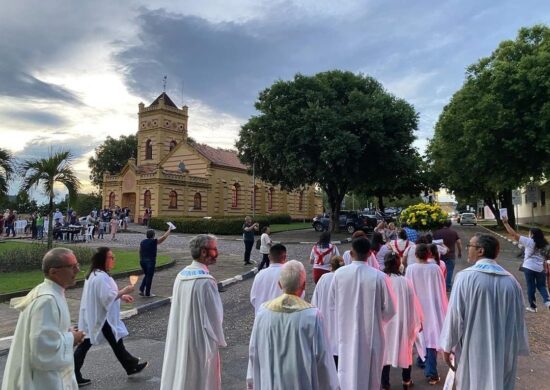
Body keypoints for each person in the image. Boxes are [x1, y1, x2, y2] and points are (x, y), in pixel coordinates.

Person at [440, 233, 530, 390]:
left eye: (470, 246)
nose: (468, 250)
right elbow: (519, 319)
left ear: (480, 251)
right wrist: (516, 347)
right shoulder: (512, 282)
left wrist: (447, 347)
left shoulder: (464, 278)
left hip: (473, 350)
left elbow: (454, 317)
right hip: (504, 350)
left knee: (473, 382)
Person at [246, 260, 339, 390]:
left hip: (271, 383)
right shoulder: (312, 316)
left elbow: (254, 350)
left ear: (279, 284)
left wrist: (252, 380)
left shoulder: (263, 312)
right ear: (304, 285)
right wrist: (331, 386)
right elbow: (323, 359)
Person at [2, 248, 86, 390]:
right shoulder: (47, 300)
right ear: (53, 272)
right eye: (72, 267)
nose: (77, 270)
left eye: (77, 265)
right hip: (43, 381)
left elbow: (47, 335)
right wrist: (72, 337)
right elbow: (41, 351)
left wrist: (66, 333)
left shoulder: (52, 292)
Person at [74, 247, 148, 386]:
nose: (114, 260)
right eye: (111, 257)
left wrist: (122, 295)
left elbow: (107, 295)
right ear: (103, 259)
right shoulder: (100, 277)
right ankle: (74, 373)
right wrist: (124, 290)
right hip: (100, 316)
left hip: (98, 314)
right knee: (88, 343)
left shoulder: (96, 274)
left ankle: (130, 365)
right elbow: (107, 297)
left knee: (115, 341)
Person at [160, 234, 226, 390]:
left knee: (181, 373)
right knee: (199, 379)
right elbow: (215, 318)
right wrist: (217, 340)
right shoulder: (206, 281)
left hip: (180, 335)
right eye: (214, 249)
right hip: (200, 342)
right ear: (204, 252)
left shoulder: (181, 275)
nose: (217, 253)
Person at [329, 237, 396, 389]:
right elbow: (391, 309)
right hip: (372, 334)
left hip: (346, 332)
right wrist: (377, 320)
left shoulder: (339, 275)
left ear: (351, 253)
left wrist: (344, 316)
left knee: (347, 371)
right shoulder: (380, 277)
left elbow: (332, 303)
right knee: (371, 375)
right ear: (370, 253)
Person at [405, 243, 448, 385]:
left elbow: (408, 290)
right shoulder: (435, 268)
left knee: (420, 336)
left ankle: (424, 370)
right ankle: (430, 371)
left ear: (416, 254)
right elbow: (441, 289)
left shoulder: (410, 269)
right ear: (429, 254)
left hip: (416, 307)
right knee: (430, 338)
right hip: (432, 308)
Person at [381, 251, 423, 390]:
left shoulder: (380, 280)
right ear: (398, 264)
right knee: (406, 348)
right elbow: (414, 303)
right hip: (403, 321)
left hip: (385, 323)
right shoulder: (405, 282)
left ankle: (385, 383)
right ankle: (406, 380)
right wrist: (418, 320)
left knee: (385, 351)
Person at [502, 216, 550, 312]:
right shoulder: (546, 245)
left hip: (529, 267)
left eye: (529, 233)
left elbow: (513, 234)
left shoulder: (529, 241)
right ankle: (548, 302)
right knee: (542, 286)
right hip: (540, 268)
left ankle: (533, 307)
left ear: (532, 234)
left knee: (531, 286)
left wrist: (506, 223)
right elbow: (547, 257)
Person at [311, 255, 345, 366]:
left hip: (324, 319)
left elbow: (314, 301)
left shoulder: (324, 278)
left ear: (331, 266)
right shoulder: (344, 279)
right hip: (340, 322)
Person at [250, 244, 287, 314]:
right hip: (282, 318)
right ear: (285, 257)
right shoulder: (289, 273)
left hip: (261, 317)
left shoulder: (259, 275)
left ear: (269, 257)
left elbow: (253, 298)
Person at [139, 228, 171, 297]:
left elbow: (140, 251)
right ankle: (147, 293)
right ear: (153, 235)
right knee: (149, 277)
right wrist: (169, 230)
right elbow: (164, 237)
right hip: (150, 261)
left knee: (147, 275)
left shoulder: (142, 242)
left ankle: (141, 289)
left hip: (142, 261)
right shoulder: (153, 241)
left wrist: (141, 259)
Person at [433, 220, 462, 291]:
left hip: (438, 255)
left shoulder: (436, 232)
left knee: (439, 270)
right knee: (449, 270)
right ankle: (447, 286)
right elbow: (458, 243)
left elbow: (433, 243)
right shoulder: (454, 233)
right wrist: (459, 252)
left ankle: (439, 286)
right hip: (450, 255)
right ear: (450, 225)